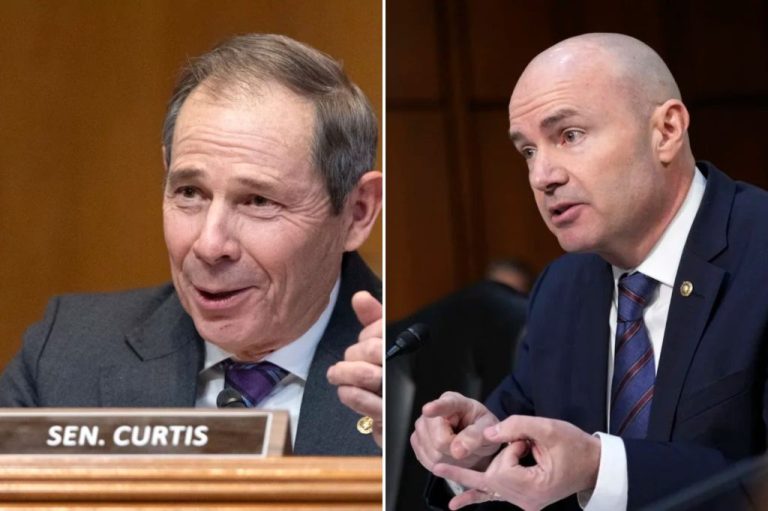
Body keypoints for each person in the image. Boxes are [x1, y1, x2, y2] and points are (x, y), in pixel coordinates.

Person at [411, 32, 768, 509]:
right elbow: (519, 440)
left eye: (569, 136)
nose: (543, 176)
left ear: (666, 131)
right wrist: (474, 453)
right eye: (528, 152)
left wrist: (601, 467)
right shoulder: (562, 287)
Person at [0, 33, 383, 456]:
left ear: (357, 212)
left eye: (258, 201)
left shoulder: (419, 373)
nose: (209, 243)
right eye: (189, 193)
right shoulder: (66, 353)